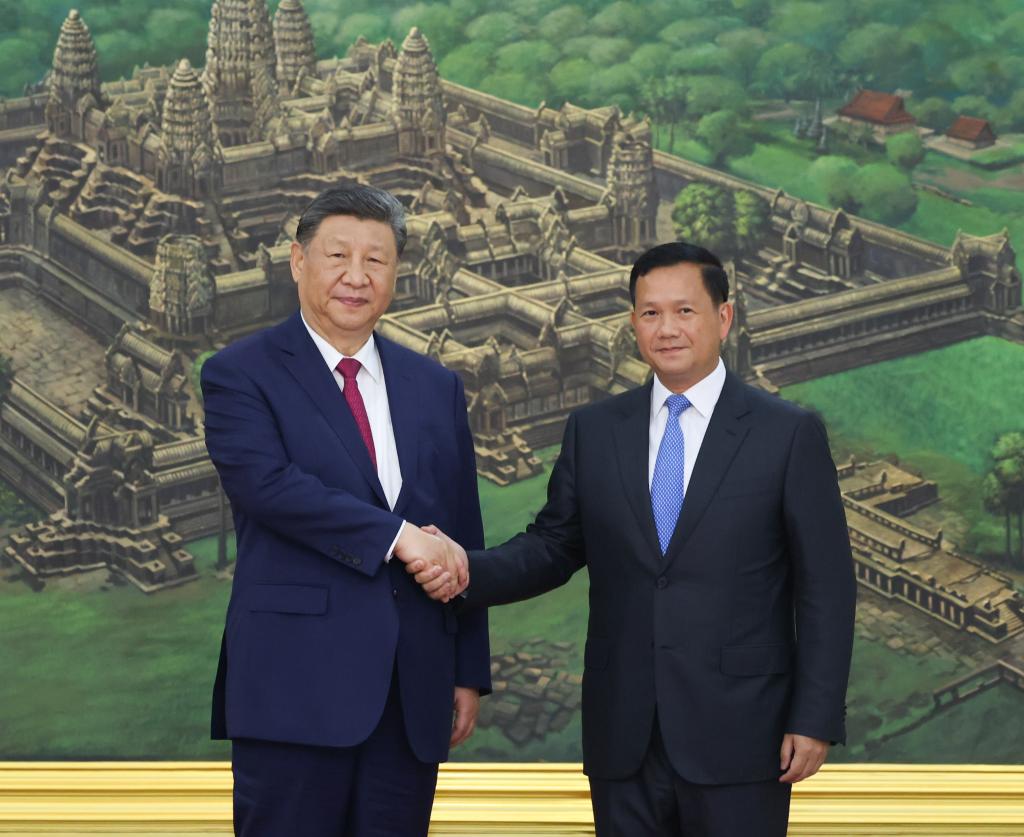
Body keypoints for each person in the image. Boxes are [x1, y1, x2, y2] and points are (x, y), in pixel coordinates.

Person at [410, 242, 856, 837]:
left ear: (724, 317)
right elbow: (553, 546)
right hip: (624, 736)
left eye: (684, 311)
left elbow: (827, 588)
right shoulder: (594, 430)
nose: (666, 328)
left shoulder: (788, 433)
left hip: (744, 733)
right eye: (650, 313)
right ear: (632, 323)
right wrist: (463, 567)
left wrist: (815, 716)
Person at [200, 184, 490, 837]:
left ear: (396, 272)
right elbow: (269, 486)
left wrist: (467, 668)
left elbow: (461, 531)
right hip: (294, 687)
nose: (356, 276)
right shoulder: (239, 373)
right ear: (298, 261)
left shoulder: (436, 385)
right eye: (338, 256)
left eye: (376, 260)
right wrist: (399, 537)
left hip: (411, 690)